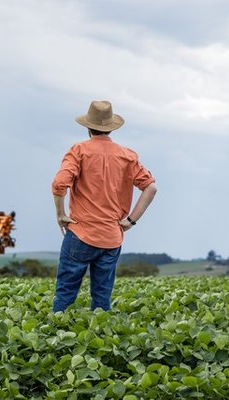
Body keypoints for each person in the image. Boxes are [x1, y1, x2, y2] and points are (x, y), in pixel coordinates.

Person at [51, 100, 157, 312]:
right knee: (102, 298)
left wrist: (60, 214)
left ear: (88, 127)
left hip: (80, 233)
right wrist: (130, 220)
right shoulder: (127, 156)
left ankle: (56, 337)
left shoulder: (79, 151)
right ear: (111, 127)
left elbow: (59, 183)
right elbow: (151, 188)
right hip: (111, 237)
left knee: (65, 293)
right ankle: (100, 337)